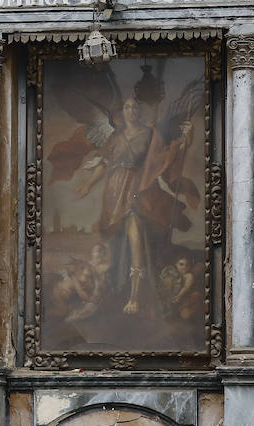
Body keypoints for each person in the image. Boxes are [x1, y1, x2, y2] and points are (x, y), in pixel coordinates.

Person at [73, 99, 194, 315]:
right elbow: (104, 163)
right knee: (119, 243)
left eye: (136, 106)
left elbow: (162, 158)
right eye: (128, 107)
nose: (132, 110)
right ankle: (117, 290)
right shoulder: (116, 137)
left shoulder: (149, 134)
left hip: (138, 187)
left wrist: (185, 142)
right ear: (123, 111)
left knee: (135, 236)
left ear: (140, 110)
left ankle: (135, 297)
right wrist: (88, 185)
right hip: (114, 190)